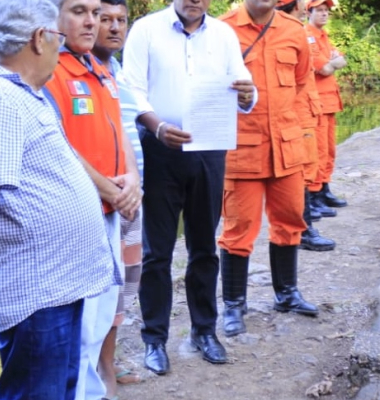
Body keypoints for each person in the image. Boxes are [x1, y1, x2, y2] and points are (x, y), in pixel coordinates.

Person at [0, 0, 115, 398]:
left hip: (57, 284)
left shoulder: (21, 93)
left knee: (59, 390)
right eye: (58, 36)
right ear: (40, 39)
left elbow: (6, 188)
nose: (61, 45)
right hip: (37, 291)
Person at [123, 0, 256, 374]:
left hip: (210, 149)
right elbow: (131, 89)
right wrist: (158, 126)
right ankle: (154, 339)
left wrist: (249, 95)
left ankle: (204, 331)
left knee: (204, 247)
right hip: (160, 150)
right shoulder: (146, 30)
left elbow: (243, 83)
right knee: (156, 253)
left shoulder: (224, 34)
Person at [43, 0, 142, 398]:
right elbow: (57, 146)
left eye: (95, 13)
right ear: (52, 18)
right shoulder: (49, 70)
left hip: (110, 214)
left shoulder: (100, 69)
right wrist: (112, 191)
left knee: (102, 320)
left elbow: (122, 132)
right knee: (78, 333)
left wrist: (132, 179)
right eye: (80, 12)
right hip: (78, 219)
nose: (92, 21)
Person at [218, 0, 320, 338]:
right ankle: (233, 304)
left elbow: (303, 82)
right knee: (239, 228)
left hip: (286, 147)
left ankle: (286, 293)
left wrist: (301, 135)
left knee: (291, 220)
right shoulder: (221, 30)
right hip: (241, 148)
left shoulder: (294, 31)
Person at [90, 0, 144, 397]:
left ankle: (108, 358)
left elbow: (128, 130)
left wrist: (136, 183)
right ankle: (100, 366)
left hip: (130, 195)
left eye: (120, 21)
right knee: (99, 287)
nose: (113, 28)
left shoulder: (116, 72)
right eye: (103, 19)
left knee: (125, 283)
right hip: (99, 199)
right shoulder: (69, 71)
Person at [276, 0, 336, 252]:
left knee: (307, 169)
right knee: (299, 173)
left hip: (306, 111)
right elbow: (322, 68)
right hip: (296, 116)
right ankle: (303, 230)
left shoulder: (295, 31)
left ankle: (305, 225)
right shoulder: (292, 32)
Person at [305, 0, 348, 216]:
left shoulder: (324, 36)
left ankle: (324, 187)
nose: (324, 14)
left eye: (326, 11)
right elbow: (324, 69)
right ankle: (313, 195)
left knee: (330, 149)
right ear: (308, 12)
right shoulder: (307, 35)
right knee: (318, 151)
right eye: (319, 10)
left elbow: (341, 61)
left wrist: (336, 62)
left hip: (330, 102)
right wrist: (334, 62)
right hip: (317, 103)